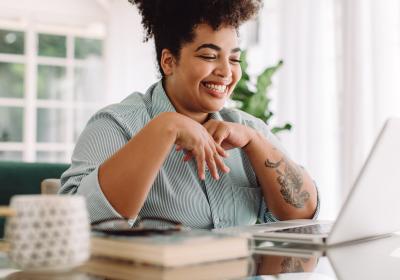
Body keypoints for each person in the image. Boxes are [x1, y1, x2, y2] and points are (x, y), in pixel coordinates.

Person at [60, 0, 319, 229]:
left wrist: (255, 143)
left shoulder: (248, 130)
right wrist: (165, 127)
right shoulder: (115, 125)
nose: (226, 72)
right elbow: (74, 224)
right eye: (209, 56)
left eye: (234, 59)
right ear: (169, 62)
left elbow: (302, 216)